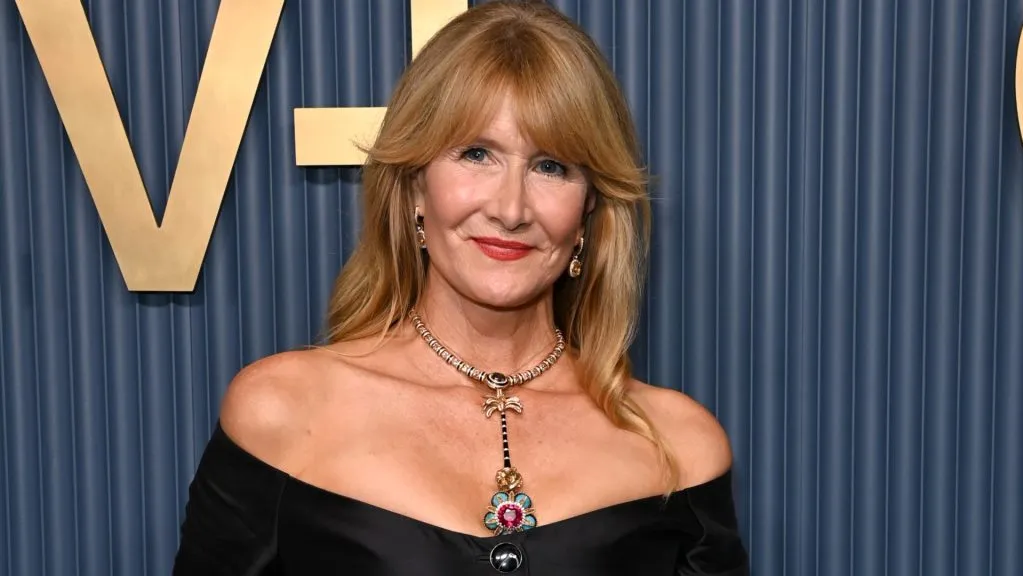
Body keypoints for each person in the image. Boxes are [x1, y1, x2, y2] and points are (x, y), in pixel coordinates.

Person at [173, 1, 748, 574]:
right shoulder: (283, 412)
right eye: (477, 154)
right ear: (416, 187)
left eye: (552, 167)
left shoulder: (679, 449)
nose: (511, 208)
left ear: (589, 208)